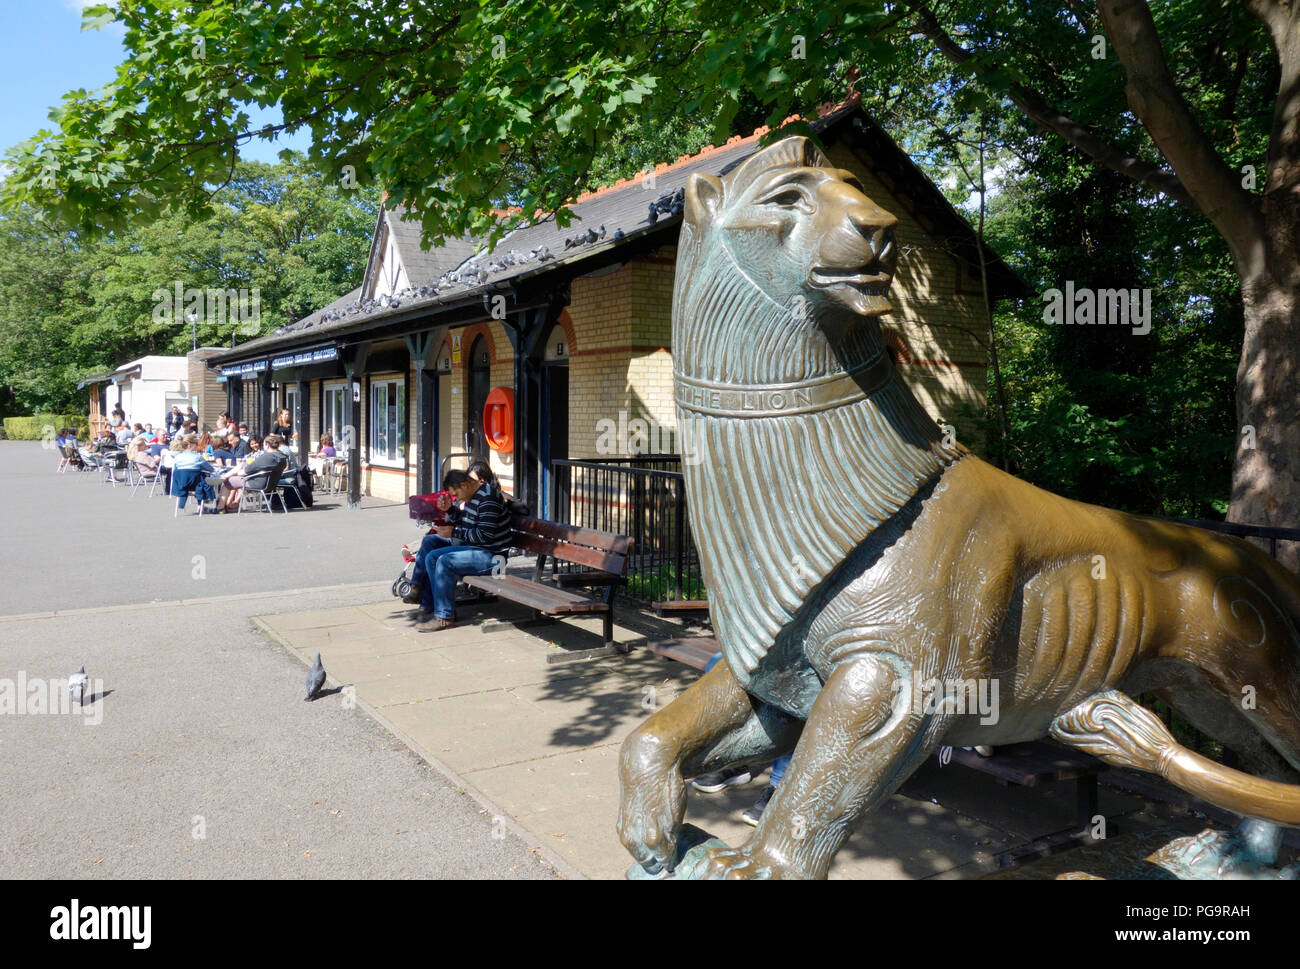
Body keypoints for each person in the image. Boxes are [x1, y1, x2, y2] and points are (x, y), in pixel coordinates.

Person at [414, 470, 512, 631]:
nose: (457, 498)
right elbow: (465, 523)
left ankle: (444, 616)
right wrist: (450, 510)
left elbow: (484, 536)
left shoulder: (488, 498)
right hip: (477, 549)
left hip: (494, 557)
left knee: (445, 562)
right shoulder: (473, 495)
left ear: (464, 485)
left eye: (456, 494)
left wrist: (453, 533)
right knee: (432, 555)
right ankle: (432, 604)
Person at [217, 434, 285, 512]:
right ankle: (224, 476)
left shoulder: (266, 457)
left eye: (263, 445)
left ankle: (220, 507)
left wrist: (234, 474)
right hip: (271, 484)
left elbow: (244, 472)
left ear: (267, 445)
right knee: (243, 464)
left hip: (258, 483)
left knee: (227, 481)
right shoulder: (281, 456)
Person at [171, 439, 216, 510]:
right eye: (196, 444)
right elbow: (210, 469)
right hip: (196, 485)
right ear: (189, 445)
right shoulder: (197, 457)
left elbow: (175, 470)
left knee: (197, 476)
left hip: (181, 485)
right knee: (203, 478)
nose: (197, 446)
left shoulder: (177, 458)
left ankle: (194, 505)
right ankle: (201, 505)